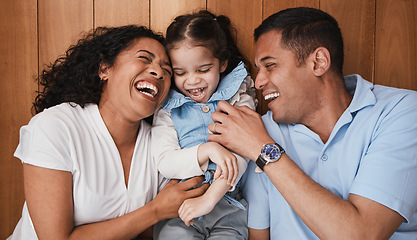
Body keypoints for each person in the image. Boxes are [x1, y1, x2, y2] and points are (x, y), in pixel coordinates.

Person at [208, 7, 417, 240]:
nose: (258, 82)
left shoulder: (401, 111)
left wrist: (263, 150)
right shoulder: (258, 130)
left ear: (318, 62)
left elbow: (363, 235)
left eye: (270, 65)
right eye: (259, 69)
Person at [7, 25, 208, 240]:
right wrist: (155, 210)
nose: (158, 72)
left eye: (167, 71)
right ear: (104, 69)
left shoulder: (163, 145)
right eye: (144, 58)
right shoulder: (55, 126)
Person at [151, 10, 257, 239]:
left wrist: (210, 199)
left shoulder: (238, 96)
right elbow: (165, 162)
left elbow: (244, 151)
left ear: (222, 63)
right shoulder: (168, 107)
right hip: (180, 209)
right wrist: (208, 149)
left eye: (203, 69)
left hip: (228, 208)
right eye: (180, 72)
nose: (192, 80)